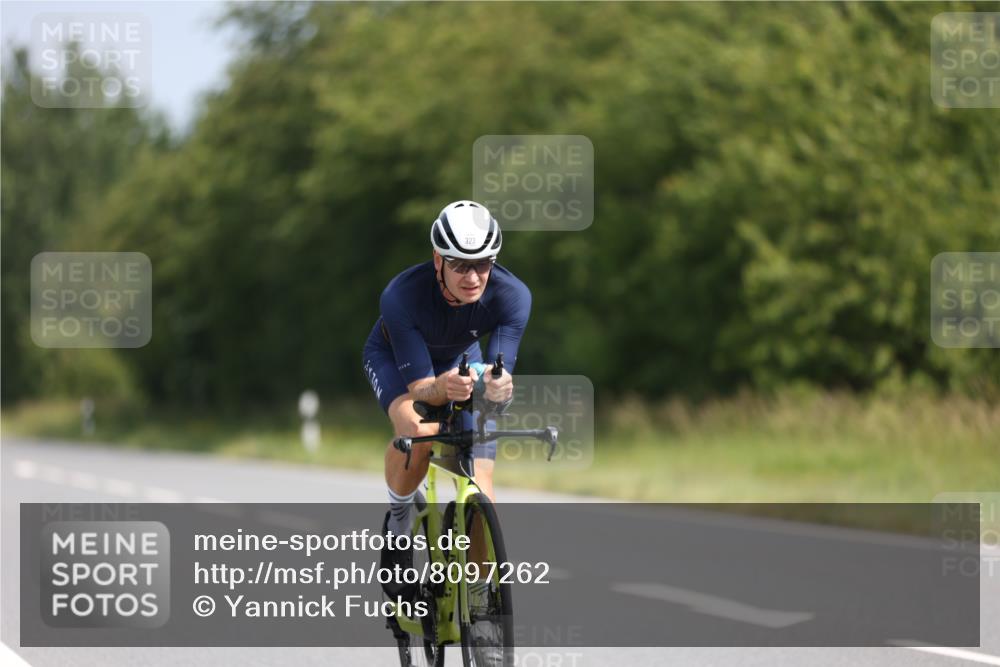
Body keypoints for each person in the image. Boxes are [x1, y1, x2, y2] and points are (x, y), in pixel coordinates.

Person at [362, 200, 531, 602]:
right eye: (459, 265)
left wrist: (499, 387)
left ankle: (479, 598)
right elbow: (421, 388)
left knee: (482, 486)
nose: (473, 277)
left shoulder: (514, 296)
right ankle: (399, 523)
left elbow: (499, 370)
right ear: (438, 260)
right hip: (398, 361)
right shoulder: (401, 296)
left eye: (483, 264)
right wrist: (445, 388)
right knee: (416, 432)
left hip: (461, 360)